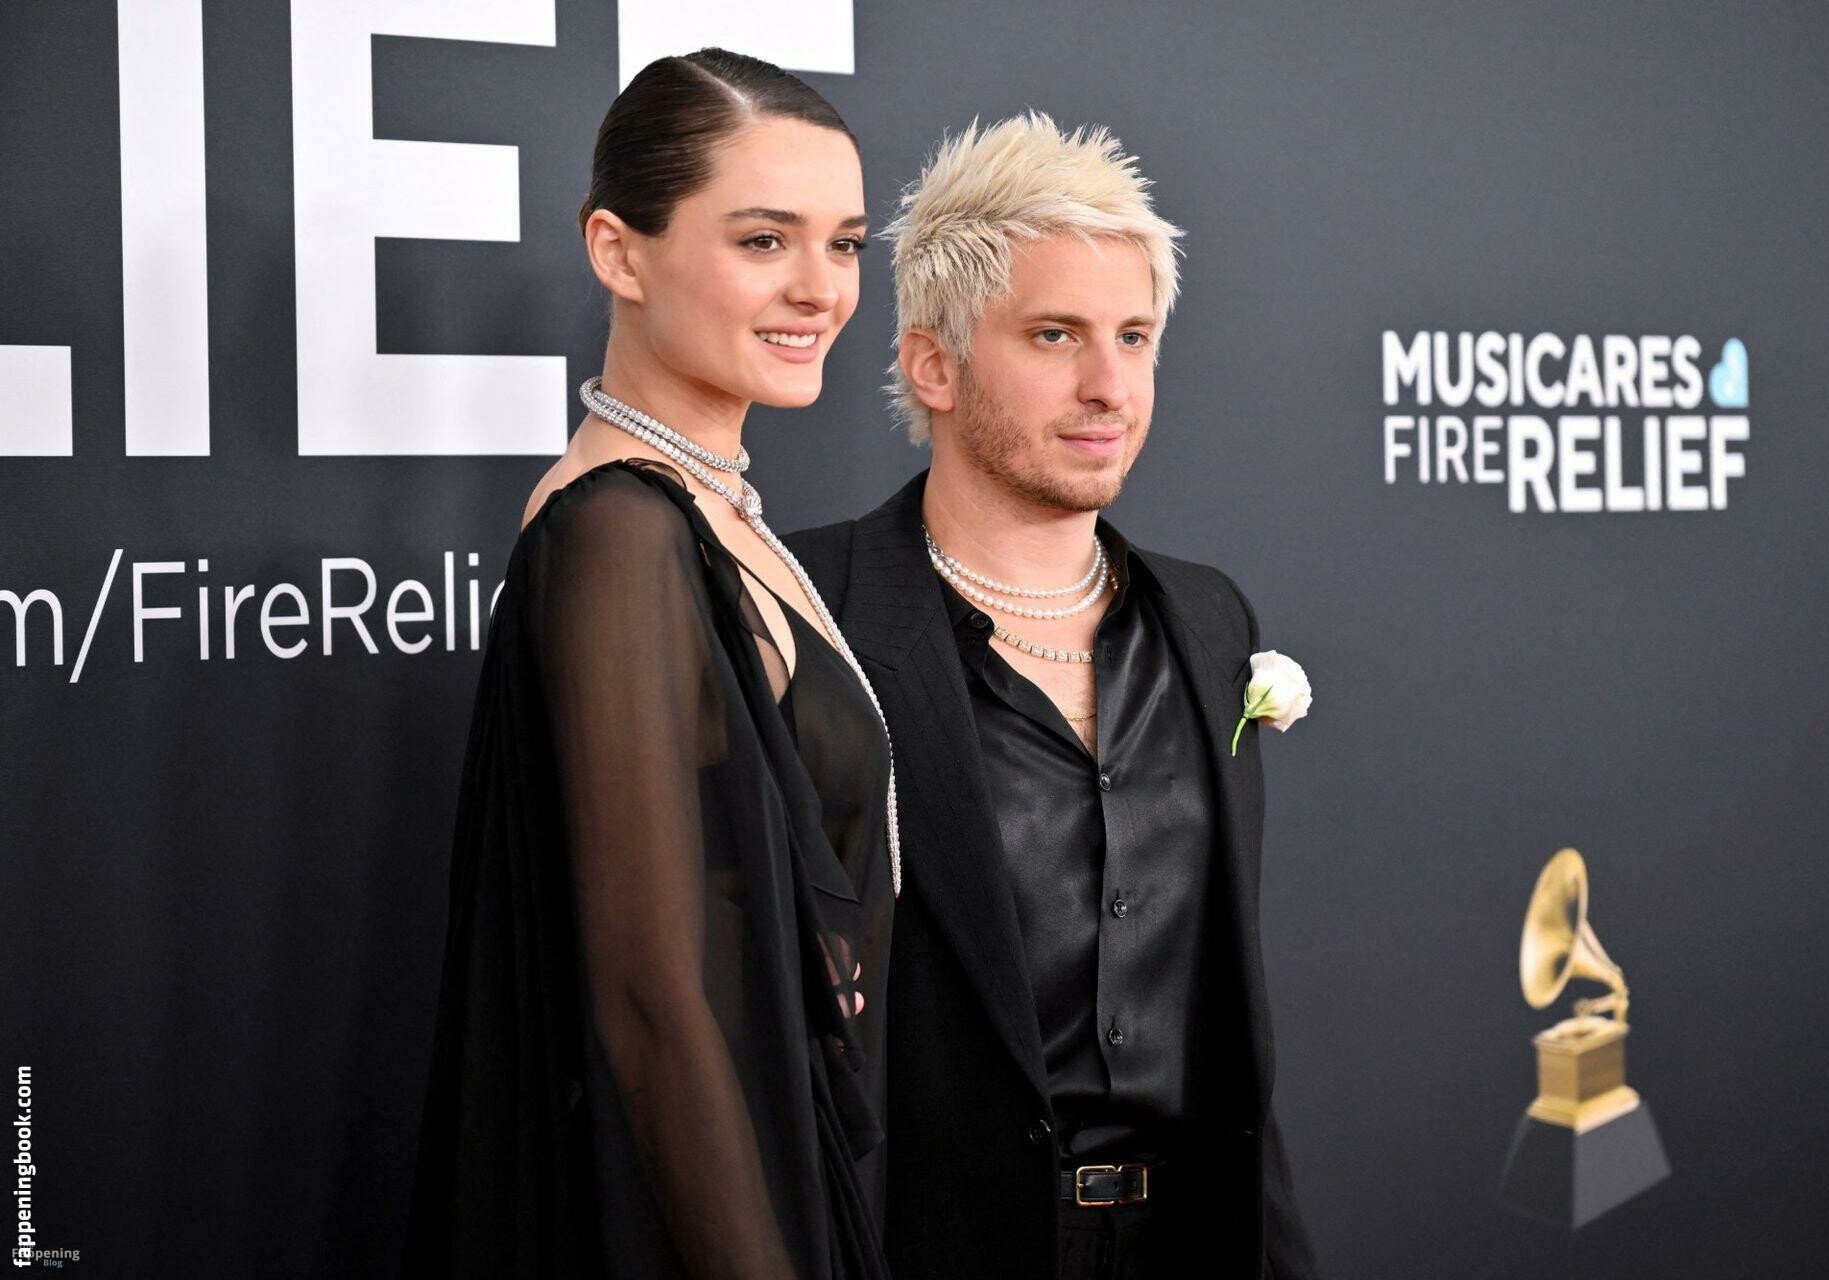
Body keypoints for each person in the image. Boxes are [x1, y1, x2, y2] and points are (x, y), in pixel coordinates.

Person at [785, 113, 1319, 1279]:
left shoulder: (1209, 619)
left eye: (1134, 337)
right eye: (1055, 334)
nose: (1108, 385)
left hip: (1197, 1242)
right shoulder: (807, 607)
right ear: (934, 364)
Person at [404, 49, 896, 1280]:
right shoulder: (618, 531)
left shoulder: (708, 512)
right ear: (619, 253)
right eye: (764, 240)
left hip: (789, 1155)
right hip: (707, 1212)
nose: (821, 288)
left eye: (844, 244)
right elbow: (649, 1002)